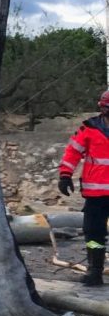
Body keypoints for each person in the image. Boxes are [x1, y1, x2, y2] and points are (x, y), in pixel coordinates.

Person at [58, 90, 109, 286]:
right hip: (95, 194)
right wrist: (65, 175)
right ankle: (95, 270)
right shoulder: (89, 128)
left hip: (96, 193)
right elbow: (73, 151)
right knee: (93, 233)